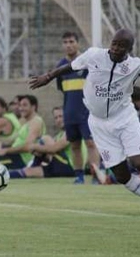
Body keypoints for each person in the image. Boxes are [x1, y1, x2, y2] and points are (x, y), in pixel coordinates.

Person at [30, 28, 140, 223]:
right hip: (99, 123)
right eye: (114, 44)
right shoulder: (95, 55)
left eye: (121, 46)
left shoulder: (136, 65)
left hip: (124, 118)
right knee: (120, 175)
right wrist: (49, 76)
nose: (116, 48)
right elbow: (72, 66)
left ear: (129, 49)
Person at [55, 31, 102, 184]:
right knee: (74, 145)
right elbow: (62, 89)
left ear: (78, 43)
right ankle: (79, 176)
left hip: (87, 112)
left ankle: (96, 175)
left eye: (71, 41)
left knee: (90, 143)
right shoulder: (61, 66)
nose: (68, 45)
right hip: (69, 112)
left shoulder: (87, 62)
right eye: (65, 42)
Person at [9, 107, 75, 179]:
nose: (58, 120)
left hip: (70, 167)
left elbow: (54, 149)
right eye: (56, 118)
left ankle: (33, 164)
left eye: (61, 116)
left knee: (45, 139)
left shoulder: (71, 131)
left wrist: (34, 147)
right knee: (29, 172)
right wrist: (39, 152)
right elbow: (51, 155)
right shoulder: (58, 136)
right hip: (60, 166)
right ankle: (2, 175)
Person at [0, 95, 47, 169]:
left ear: (33, 107)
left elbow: (29, 146)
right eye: (20, 105)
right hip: (16, 155)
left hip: (23, 160)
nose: (21, 108)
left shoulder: (36, 122)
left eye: (24, 105)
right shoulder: (26, 122)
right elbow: (12, 141)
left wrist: (7, 150)